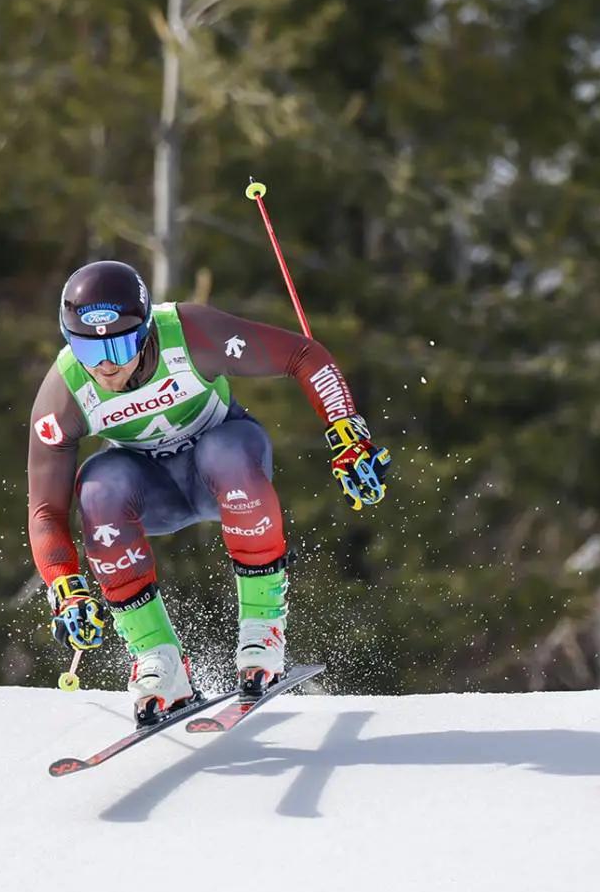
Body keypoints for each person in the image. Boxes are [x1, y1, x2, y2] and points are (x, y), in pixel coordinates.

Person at [27, 259, 393, 724]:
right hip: (150, 491)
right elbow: (45, 514)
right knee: (99, 486)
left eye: (120, 347)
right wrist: (65, 586)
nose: (104, 365)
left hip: (223, 467)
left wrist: (346, 432)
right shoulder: (64, 395)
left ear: (143, 333)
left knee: (224, 451)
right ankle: (157, 658)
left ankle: (263, 630)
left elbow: (304, 356)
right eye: (85, 348)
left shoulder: (190, 333)